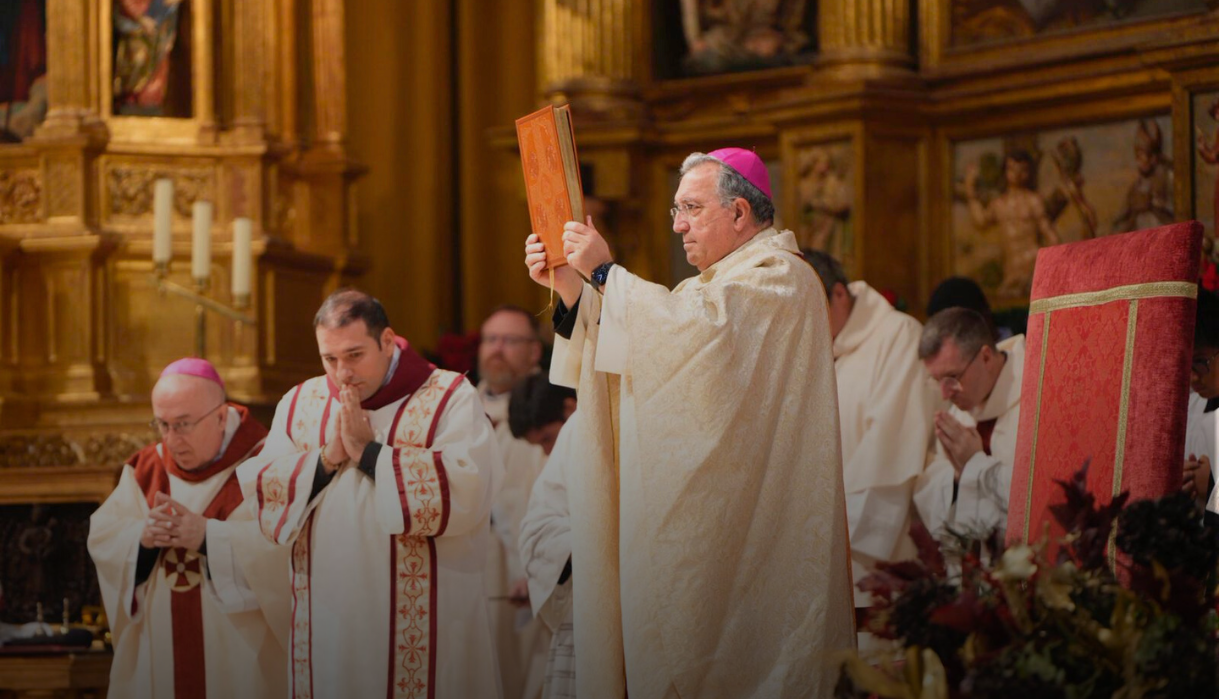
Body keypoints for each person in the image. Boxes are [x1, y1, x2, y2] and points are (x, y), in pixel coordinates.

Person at [523, 148, 854, 698]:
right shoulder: (713, 287)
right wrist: (569, 288)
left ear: (740, 213)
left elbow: (695, 337)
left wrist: (605, 273)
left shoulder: (781, 279)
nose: (677, 225)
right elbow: (643, 358)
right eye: (677, 209)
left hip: (759, 537)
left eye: (691, 208)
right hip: (728, 528)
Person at [236, 289, 503, 699]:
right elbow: (265, 492)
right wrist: (326, 458)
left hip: (424, 622)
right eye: (330, 359)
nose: (342, 373)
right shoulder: (298, 404)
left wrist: (370, 455)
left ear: (387, 340)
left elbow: (467, 488)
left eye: (354, 355)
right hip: (328, 617)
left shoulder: (448, 397)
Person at [88, 358, 288, 699]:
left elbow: (287, 558)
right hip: (161, 658)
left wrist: (209, 538)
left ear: (221, 416)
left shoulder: (269, 464)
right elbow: (104, 541)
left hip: (241, 664)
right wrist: (142, 541)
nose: (171, 439)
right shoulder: (145, 470)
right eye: (162, 424)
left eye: (183, 424)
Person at [804, 249, 939, 609]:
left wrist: (832, 539)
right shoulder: (817, 350)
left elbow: (889, 447)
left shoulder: (897, 337)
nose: (804, 325)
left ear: (839, 294)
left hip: (874, 545)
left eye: (810, 310)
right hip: (821, 543)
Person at [477, 305, 550, 699]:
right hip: (477, 574)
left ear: (534, 352)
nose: (497, 349)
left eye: (510, 340)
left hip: (534, 573)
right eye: (490, 340)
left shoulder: (555, 407)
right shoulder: (458, 410)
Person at [914, 308, 1025, 537]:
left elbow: (1038, 499)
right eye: (936, 381)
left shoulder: (1036, 399)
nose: (945, 395)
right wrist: (956, 476)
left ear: (985, 357)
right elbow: (930, 488)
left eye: (952, 378)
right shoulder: (960, 411)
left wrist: (975, 464)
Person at [511, 375, 578, 699]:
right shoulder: (564, 451)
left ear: (570, 407)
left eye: (549, 439)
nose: (548, 451)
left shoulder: (580, 432)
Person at [964, 150, 1060, 297]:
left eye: (1022, 170)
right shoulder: (999, 204)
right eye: (1012, 169)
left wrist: (1057, 263)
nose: (1017, 174)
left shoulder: (1033, 200)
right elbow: (981, 221)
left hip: (1033, 266)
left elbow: (1049, 233)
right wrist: (970, 190)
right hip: (1011, 270)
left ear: (1029, 172)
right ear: (1005, 172)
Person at [1184, 287, 1219, 520]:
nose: (1193, 376)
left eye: (1200, 362)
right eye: (1186, 363)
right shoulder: (1188, 408)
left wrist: (1211, 485)